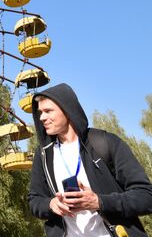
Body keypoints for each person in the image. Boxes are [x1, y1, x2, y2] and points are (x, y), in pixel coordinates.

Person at [28, 83, 152, 237]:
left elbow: (146, 196)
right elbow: (34, 201)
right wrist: (51, 205)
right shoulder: (43, 155)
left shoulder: (106, 143)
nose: (42, 118)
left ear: (67, 110)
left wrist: (99, 202)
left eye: (48, 111)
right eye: (40, 112)